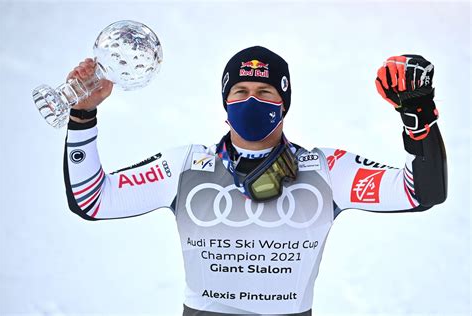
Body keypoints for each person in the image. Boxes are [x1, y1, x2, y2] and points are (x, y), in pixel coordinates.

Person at [63, 46, 447, 316]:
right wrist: (82, 117)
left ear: (284, 103)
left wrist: (418, 116)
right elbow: (92, 200)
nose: (252, 100)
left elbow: (423, 191)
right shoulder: (184, 165)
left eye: (265, 92)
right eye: (241, 92)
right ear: (225, 102)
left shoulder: (326, 169)